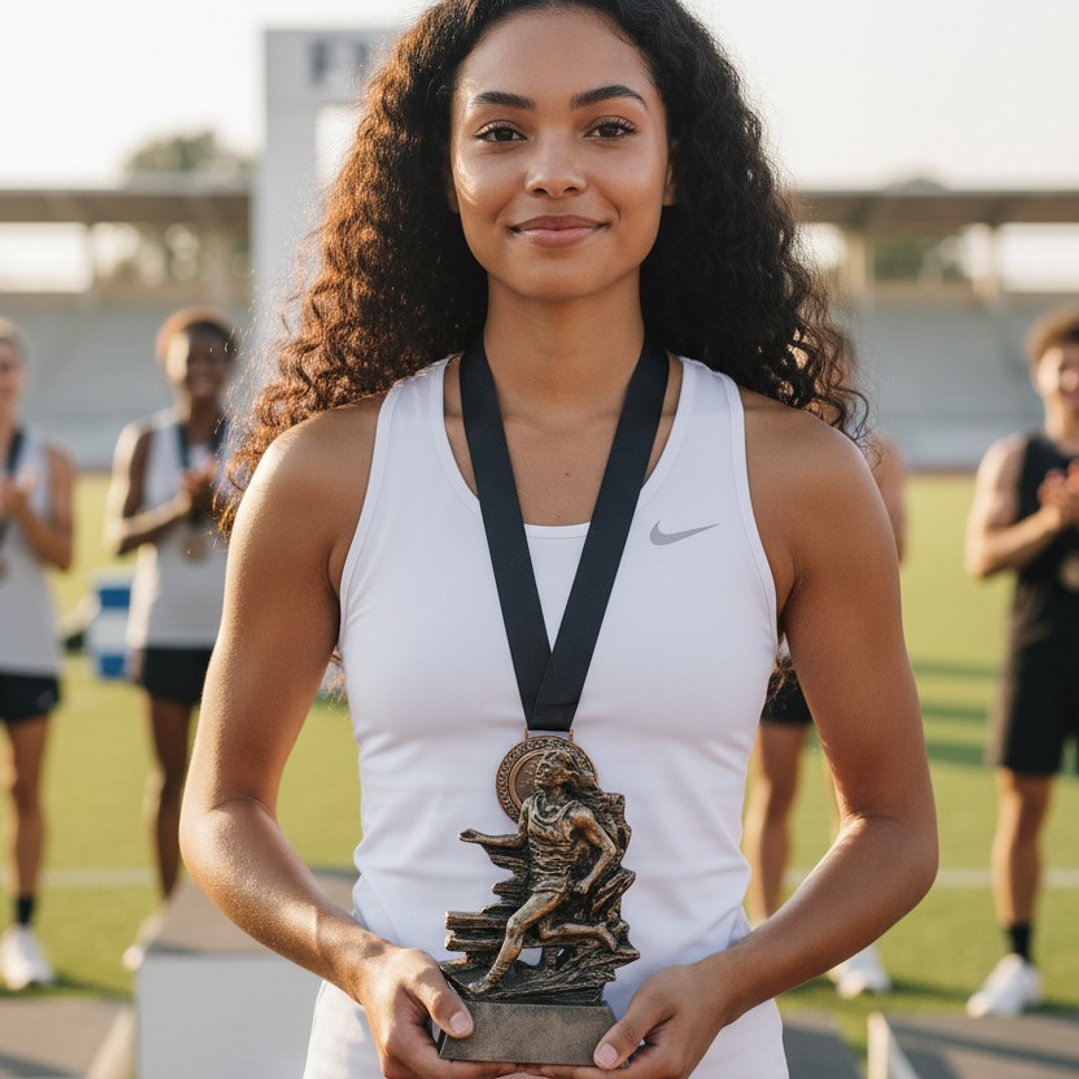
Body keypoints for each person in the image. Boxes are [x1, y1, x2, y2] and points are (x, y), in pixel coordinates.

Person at [179, 2, 938, 1077]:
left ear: (674, 166)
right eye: (499, 132)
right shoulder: (324, 470)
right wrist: (356, 961)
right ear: (440, 172)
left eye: (606, 127)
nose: (551, 171)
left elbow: (896, 823)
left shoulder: (797, 474)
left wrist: (729, 979)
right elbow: (220, 807)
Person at [744, 429, 907, 999]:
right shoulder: (760, 435)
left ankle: (851, 948)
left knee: (859, 806)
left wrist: (857, 513)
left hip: (848, 654)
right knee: (775, 793)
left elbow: (899, 550)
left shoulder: (870, 451)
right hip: (777, 660)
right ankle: (762, 931)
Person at [105, 308, 235, 967]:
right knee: (170, 776)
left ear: (229, 364)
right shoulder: (146, 439)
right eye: (191, 357)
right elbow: (116, 536)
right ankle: (167, 912)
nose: (202, 367)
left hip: (236, 636)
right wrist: (174, 512)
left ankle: (233, 913)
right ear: (170, 365)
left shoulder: (250, 438)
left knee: (236, 786)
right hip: (162, 631)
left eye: (214, 355)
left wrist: (218, 507)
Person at [964, 305, 1079, 1019]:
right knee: (1023, 803)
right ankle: (1018, 957)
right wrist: (1049, 521)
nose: (1073, 378)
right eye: (1063, 364)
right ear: (1040, 372)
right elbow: (979, 556)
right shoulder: (1016, 455)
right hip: (1038, 650)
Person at [0, 317, 76, 990]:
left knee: (25, 787)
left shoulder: (47, 456)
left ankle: (22, 930)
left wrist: (20, 510)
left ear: (20, 374)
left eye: (5, 363)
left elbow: (66, 555)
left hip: (26, 647)